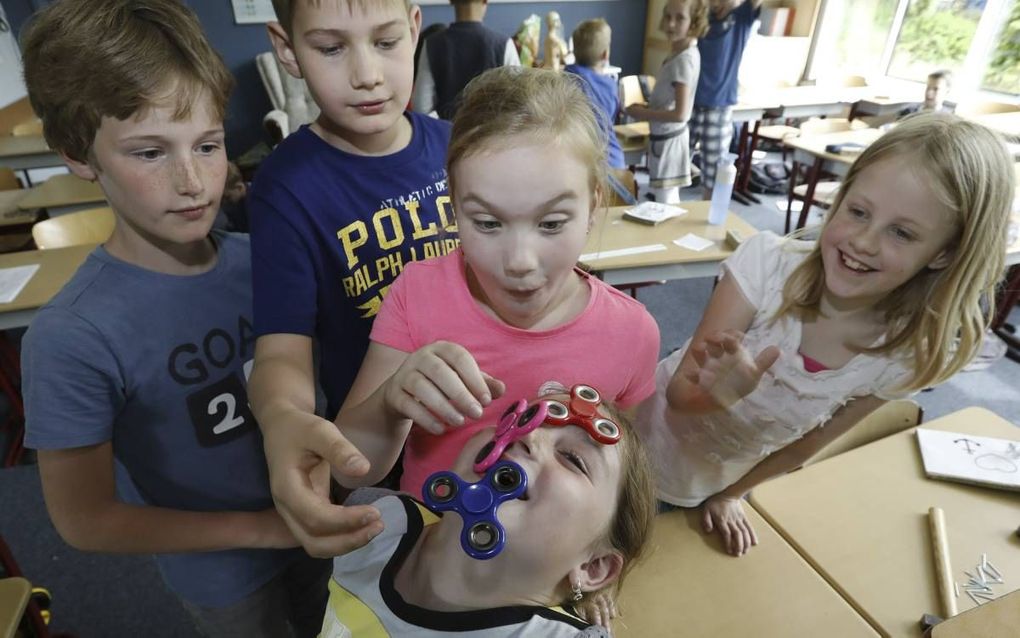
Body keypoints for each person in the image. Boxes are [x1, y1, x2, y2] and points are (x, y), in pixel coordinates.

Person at [18, 1, 331, 636]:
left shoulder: (266, 258)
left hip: (328, 524)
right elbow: (86, 520)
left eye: (208, 145)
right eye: (150, 153)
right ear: (79, 153)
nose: (192, 182)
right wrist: (265, 529)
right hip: (225, 574)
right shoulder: (71, 336)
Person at [260, 66, 660, 561]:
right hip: (430, 548)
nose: (520, 262)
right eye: (487, 222)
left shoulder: (633, 334)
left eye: (552, 222)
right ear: (453, 208)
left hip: (541, 567)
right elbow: (351, 469)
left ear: (594, 204)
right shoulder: (418, 293)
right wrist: (391, 402)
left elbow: (620, 481)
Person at [639, 112, 1015, 556]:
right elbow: (681, 398)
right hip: (641, 450)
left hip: (712, 482)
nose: (864, 241)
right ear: (840, 200)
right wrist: (718, 395)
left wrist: (731, 494)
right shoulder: (766, 266)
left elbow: (806, 446)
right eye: (858, 211)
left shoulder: (902, 357)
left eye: (901, 232)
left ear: (944, 254)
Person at [250, 0, 455, 554]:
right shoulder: (284, 189)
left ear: (414, 29)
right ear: (287, 48)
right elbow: (281, 352)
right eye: (332, 47)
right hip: (382, 456)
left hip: (494, 426)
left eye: (385, 42)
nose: (366, 74)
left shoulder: (460, 147)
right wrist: (280, 418)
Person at [319, 383, 656, 636]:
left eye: (573, 458)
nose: (526, 437)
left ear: (593, 565)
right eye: (519, 420)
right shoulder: (376, 521)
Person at [624, 0, 708, 204]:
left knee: (666, 202)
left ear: (694, 22)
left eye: (680, 18)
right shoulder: (679, 53)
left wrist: (642, 114)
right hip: (663, 138)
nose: (671, 24)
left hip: (670, 140)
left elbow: (680, 114)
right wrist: (646, 108)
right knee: (665, 198)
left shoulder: (684, 60)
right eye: (668, 16)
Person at [689, 0, 762, 198]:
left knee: (715, 175)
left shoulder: (741, 17)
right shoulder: (701, 17)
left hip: (719, 107)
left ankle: (709, 217)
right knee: (676, 167)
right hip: (689, 103)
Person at [412, 0, 520, 120]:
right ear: (485, 1)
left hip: (448, 134)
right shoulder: (504, 44)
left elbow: (421, 106)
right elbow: (517, 102)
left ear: (451, 1)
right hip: (490, 134)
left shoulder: (431, 44)